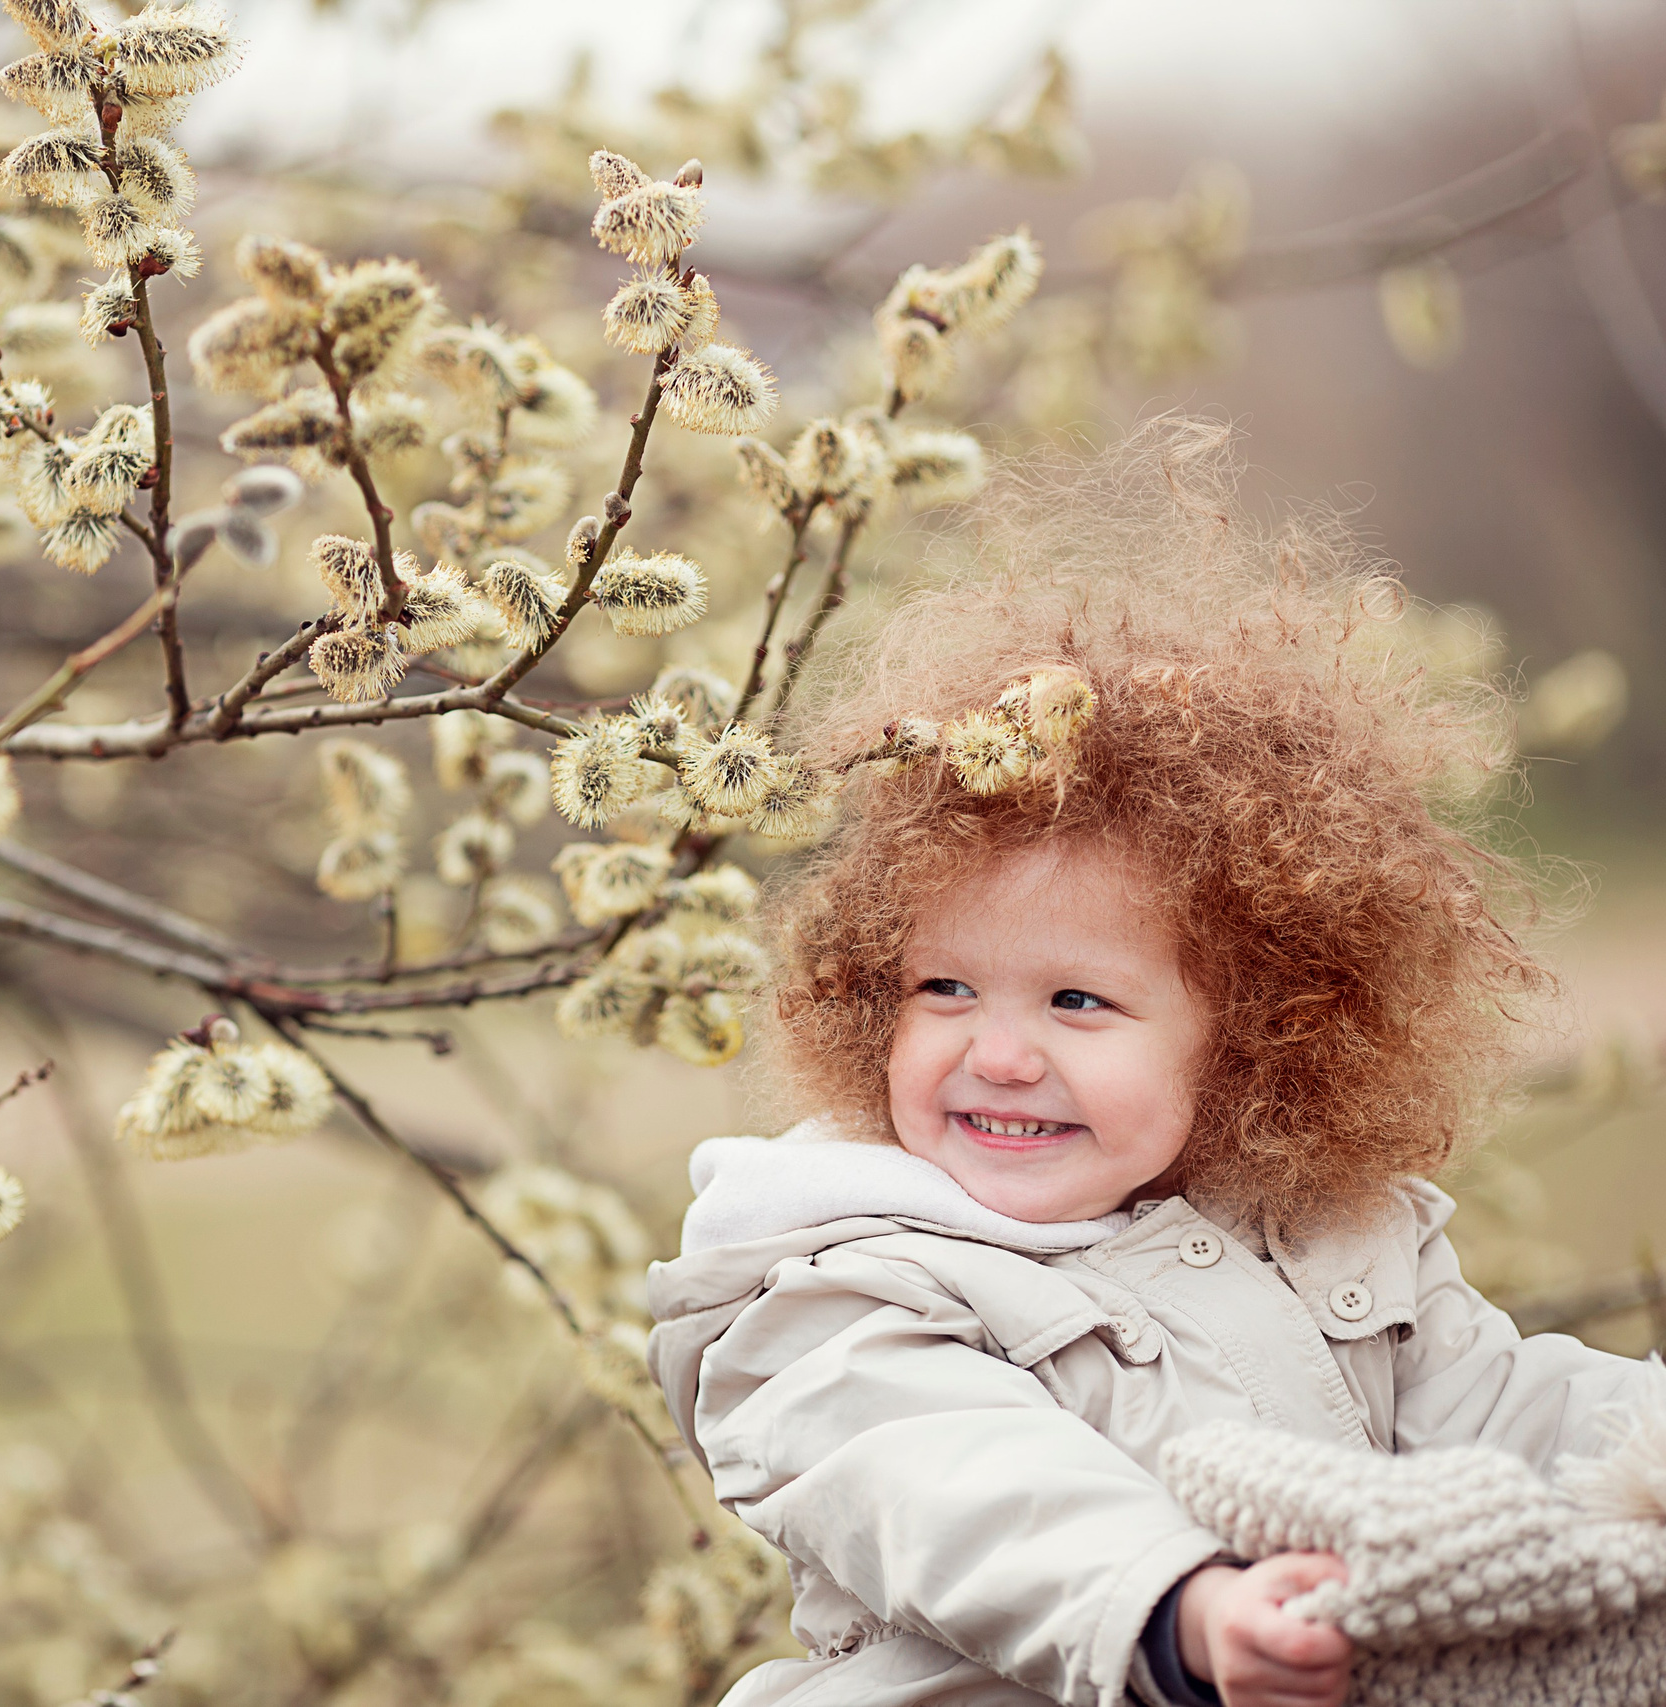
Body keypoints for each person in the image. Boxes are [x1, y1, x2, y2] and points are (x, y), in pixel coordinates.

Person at [646, 420, 1651, 1707]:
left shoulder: (1338, 1245)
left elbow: (1519, 1418)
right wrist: (1177, 1607)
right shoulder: (835, 1292)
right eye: (942, 988)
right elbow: (950, 1485)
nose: (996, 1052)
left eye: (1077, 1001)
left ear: (1250, 1041)